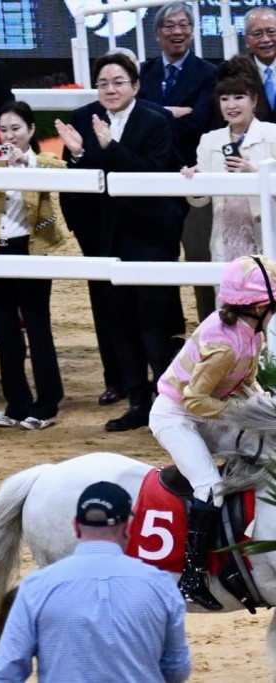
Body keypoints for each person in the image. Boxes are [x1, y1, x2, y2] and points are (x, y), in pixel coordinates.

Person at [55, 52, 185, 432]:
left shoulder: (155, 119)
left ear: (135, 85)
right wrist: (79, 153)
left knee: (155, 324)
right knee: (118, 323)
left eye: (118, 82)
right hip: (103, 237)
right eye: (103, 83)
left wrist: (111, 148)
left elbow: (154, 175)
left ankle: (168, 406)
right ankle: (136, 401)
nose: (109, 89)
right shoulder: (83, 118)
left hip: (150, 237)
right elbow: (74, 181)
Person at [150, 255, 276, 611]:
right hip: (178, 417)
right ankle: (192, 575)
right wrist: (241, 413)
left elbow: (244, 380)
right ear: (258, 305)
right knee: (209, 486)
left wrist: (260, 404)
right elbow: (194, 400)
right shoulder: (224, 345)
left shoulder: (252, 331)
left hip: (208, 412)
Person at [0, 481, 192, 683]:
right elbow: (176, 668)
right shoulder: (161, 585)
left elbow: (6, 672)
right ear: (129, 526)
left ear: (76, 526)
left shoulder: (36, 587)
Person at [0, 101, 67, 430]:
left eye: (16, 129)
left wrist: (27, 162)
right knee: (5, 329)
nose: (9, 136)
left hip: (32, 250)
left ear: (31, 131)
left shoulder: (41, 161)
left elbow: (63, 174)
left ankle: (48, 402)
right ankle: (17, 402)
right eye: (5, 129)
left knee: (38, 326)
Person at [139, 1, 219, 327]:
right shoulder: (144, 73)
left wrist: (156, 113)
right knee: (158, 267)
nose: (177, 31)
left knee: (203, 264)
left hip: (194, 183)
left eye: (183, 24)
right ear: (158, 34)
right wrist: (176, 112)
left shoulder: (210, 73)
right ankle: (169, 343)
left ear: (192, 30)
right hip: (153, 183)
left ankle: (215, 339)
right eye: (169, 26)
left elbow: (199, 122)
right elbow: (137, 121)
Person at [182, 56, 276, 266]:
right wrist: (195, 182)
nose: (231, 105)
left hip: (267, 237)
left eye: (239, 97)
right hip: (224, 239)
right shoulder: (209, 140)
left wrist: (253, 173)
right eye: (224, 99)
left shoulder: (272, 135)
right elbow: (201, 200)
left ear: (254, 100)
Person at [245, 7, 276, 124]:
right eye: (257, 34)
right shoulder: (235, 71)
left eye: (271, 32)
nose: (266, 39)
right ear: (246, 40)